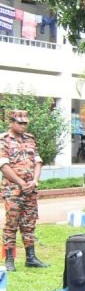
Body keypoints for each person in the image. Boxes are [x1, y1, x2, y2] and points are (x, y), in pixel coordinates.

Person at [0, 109, 47, 271]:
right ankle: (9, 260)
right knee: (11, 224)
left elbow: (38, 162)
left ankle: (31, 258)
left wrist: (34, 181)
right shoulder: (4, 140)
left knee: (29, 223)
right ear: (11, 122)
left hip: (30, 190)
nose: (23, 126)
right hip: (13, 190)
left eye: (25, 123)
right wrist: (21, 183)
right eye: (20, 123)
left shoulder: (30, 139)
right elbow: (4, 166)